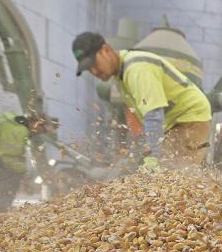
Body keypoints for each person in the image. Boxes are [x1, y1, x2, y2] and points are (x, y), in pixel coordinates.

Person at [72, 32, 212, 170]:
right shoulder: (122, 74)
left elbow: (154, 115)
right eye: (89, 69)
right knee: (167, 172)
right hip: (176, 122)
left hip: (190, 118)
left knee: (174, 172)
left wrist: (152, 159)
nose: (94, 71)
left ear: (106, 50)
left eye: (94, 64)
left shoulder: (136, 69)